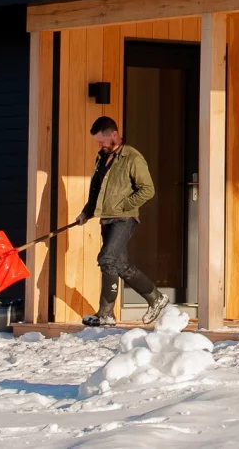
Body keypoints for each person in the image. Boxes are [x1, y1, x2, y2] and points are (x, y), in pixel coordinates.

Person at [75, 115, 158, 326]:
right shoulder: (102, 158)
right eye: (97, 142)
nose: (99, 144)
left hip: (124, 219)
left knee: (107, 259)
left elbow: (148, 190)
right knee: (121, 265)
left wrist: (125, 206)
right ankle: (156, 298)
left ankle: (106, 314)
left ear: (114, 134)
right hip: (106, 219)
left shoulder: (133, 159)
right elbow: (96, 190)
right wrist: (86, 212)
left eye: (101, 140)